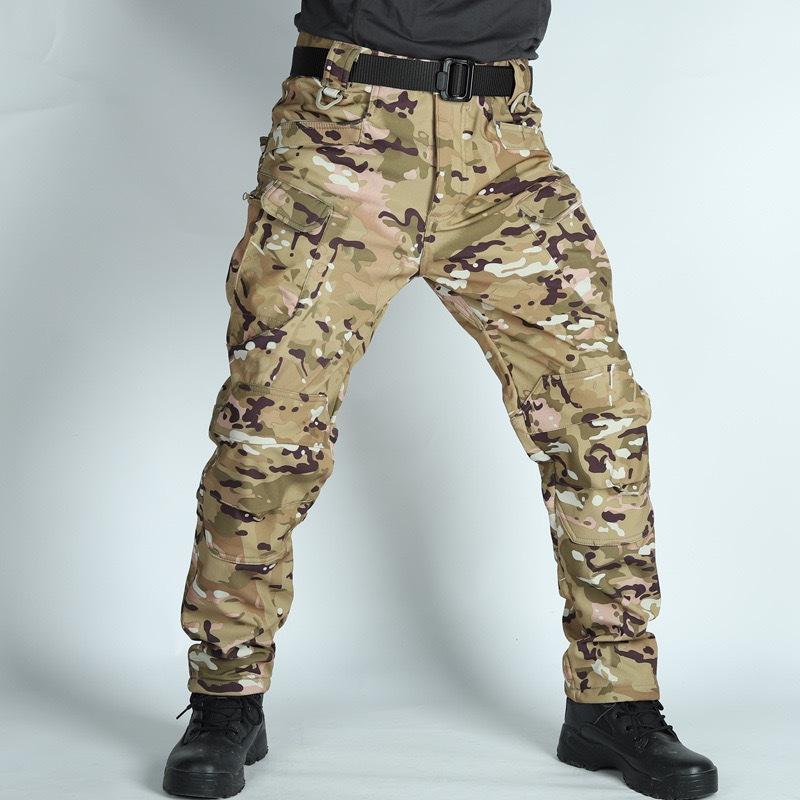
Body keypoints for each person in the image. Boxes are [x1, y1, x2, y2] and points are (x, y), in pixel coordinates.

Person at [162, 3, 718, 798]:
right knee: (269, 430)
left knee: (600, 419)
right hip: (343, 135)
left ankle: (614, 700)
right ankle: (225, 698)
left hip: (502, 146)